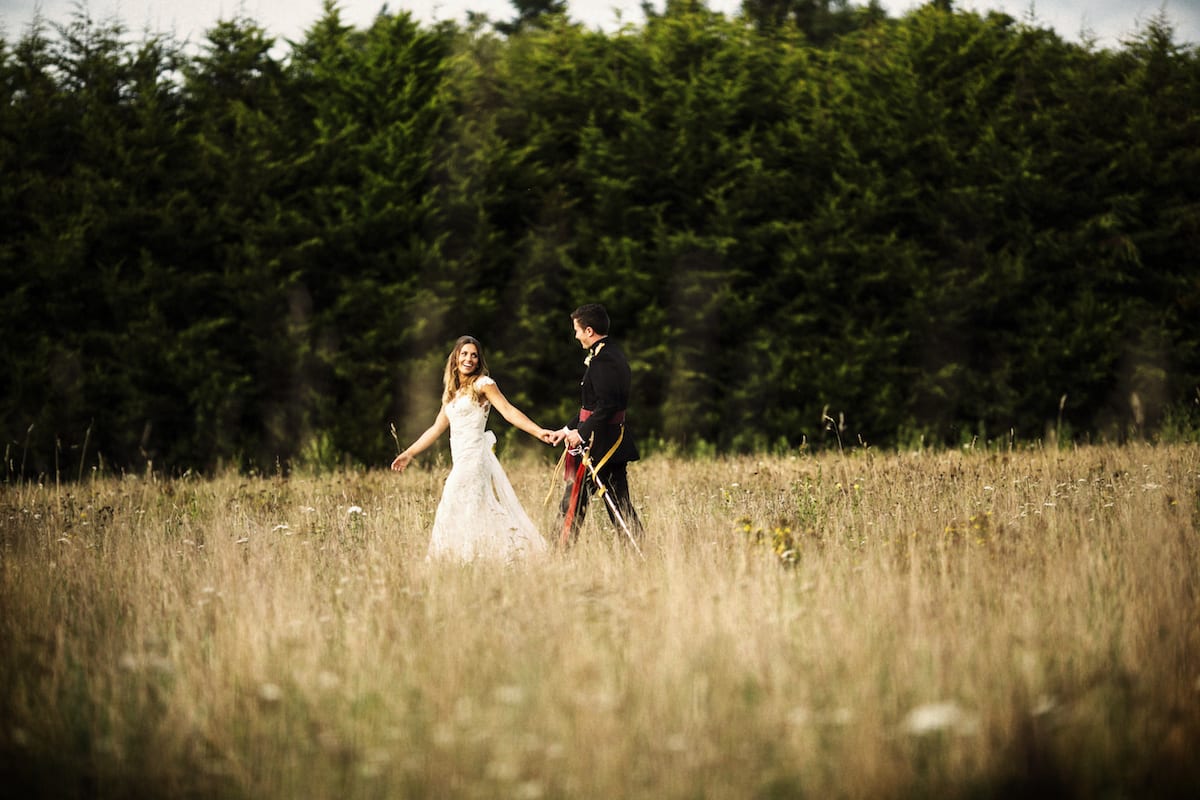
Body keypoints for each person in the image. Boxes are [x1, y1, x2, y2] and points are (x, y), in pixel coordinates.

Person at [392, 335, 554, 562]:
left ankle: (460, 559)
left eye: (474, 355)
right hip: (461, 459)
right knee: (474, 508)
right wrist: (409, 453)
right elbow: (436, 429)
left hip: (474, 458)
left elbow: (508, 411)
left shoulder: (483, 385)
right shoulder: (452, 394)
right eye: (465, 354)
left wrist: (539, 432)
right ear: (456, 357)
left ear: (479, 361)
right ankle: (495, 555)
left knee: (451, 502)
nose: (469, 359)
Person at [551, 304, 644, 544]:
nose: (576, 335)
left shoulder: (604, 360)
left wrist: (581, 434)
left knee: (575, 505)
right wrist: (567, 429)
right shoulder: (609, 353)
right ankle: (638, 550)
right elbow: (590, 407)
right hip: (603, 441)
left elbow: (608, 406)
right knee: (616, 506)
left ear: (589, 330)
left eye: (577, 330)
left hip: (600, 446)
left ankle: (558, 555)